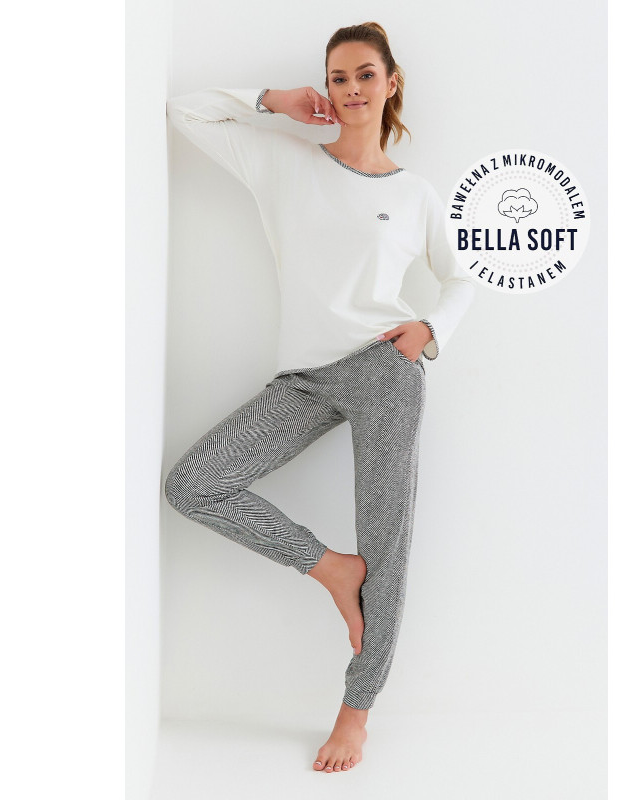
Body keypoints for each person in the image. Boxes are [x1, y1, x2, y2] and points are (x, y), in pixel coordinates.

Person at [163, 21, 475, 774]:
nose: (352, 88)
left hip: (384, 368)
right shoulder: (287, 163)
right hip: (304, 378)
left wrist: (430, 328)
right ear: (326, 87)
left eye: (366, 74)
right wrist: (277, 100)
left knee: (388, 542)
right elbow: (184, 112)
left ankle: (356, 714)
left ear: (391, 83)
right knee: (194, 484)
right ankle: (333, 570)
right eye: (339, 77)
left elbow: (461, 275)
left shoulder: (415, 194)